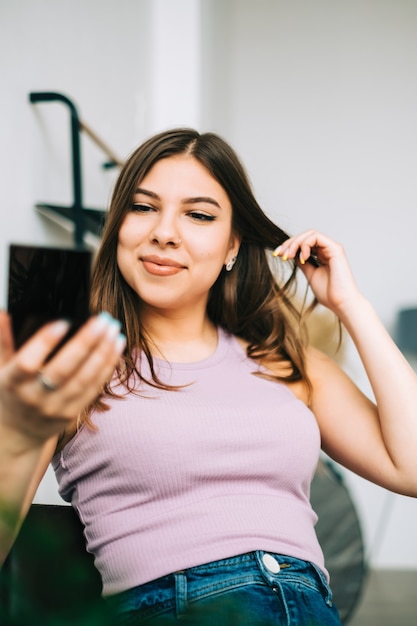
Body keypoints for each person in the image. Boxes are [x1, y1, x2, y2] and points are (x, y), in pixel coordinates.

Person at [1, 128, 417, 625]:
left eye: (198, 215)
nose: (165, 232)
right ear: (117, 228)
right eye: (142, 207)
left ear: (232, 246)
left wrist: (352, 305)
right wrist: (18, 423)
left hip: (307, 606)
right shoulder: (72, 363)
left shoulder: (288, 362)